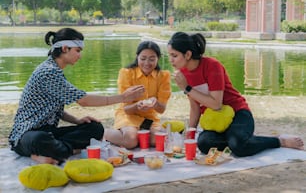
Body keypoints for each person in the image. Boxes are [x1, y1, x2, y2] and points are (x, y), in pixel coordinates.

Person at [8, 28, 145, 164]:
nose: (79, 56)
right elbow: (83, 100)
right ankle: (64, 151)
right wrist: (123, 97)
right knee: (41, 139)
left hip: (49, 132)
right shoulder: (48, 72)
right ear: (65, 48)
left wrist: (77, 121)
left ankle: (58, 151)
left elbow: (56, 110)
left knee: (95, 128)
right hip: (26, 135)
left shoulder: (56, 70)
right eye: (78, 51)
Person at [167, 32, 304, 157]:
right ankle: (243, 139)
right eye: (170, 56)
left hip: (239, 113)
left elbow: (216, 104)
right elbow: (195, 107)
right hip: (217, 121)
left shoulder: (212, 66)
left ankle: (279, 141)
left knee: (238, 145)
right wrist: (190, 133)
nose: (171, 60)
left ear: (188, 55)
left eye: (174, 55)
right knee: (203, 143)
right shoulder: (184, 74)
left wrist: (187, 88)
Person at [104, 41, 171, 149]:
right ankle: (104, 133)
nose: (147, 63)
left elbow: (161, 109)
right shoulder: (126, 73)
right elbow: (126, 109)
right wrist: (137, 105)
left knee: (160, 140)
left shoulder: (163, 76)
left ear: (158, 58)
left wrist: (155, 104)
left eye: (152, 59)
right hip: (128, 115)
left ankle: (137, 136)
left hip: (149, 118)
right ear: (137, 57)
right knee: (131, 140)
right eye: (143, 58)